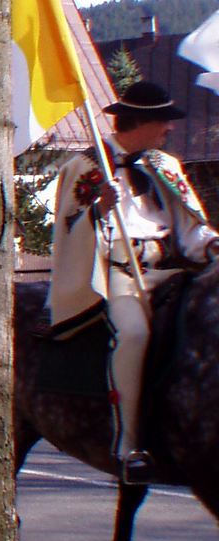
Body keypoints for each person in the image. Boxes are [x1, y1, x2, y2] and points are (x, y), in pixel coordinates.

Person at [50, 81, 219, 485]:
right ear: (141, 122)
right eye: (164, 121)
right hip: (121, 276)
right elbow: (68, 231)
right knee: (134, 334)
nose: (170, 129)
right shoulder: (86, 166)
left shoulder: (166, 165)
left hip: (171, 272)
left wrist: (211, 244)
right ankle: (128, 447)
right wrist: (98, 211)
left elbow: (191, 227)